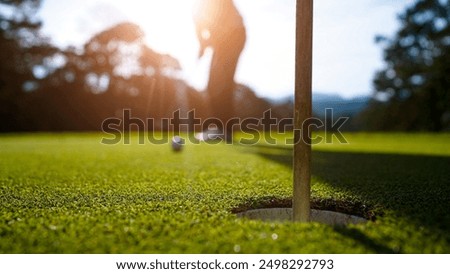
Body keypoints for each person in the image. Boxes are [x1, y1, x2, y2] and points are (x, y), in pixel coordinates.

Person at [193, 0, 246, 142]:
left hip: (233, 35)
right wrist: (203, 46)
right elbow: (201, 25)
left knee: (219, 84)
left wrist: (206, 44)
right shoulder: (198, 8)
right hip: (227, 37)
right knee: (215, 84)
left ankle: (222, 129)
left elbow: (216, 22)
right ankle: (221, 128)